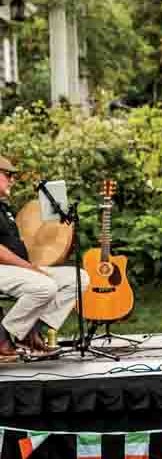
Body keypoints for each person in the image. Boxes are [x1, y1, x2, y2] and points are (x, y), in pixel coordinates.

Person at [0, 154, 87, 362]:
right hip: (5, 268)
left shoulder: (3, 208)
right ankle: (3, 337)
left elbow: (22, 243)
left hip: (17, 269)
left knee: (78, 277)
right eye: (8, 174)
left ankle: (29, 331)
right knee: (45, 286)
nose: (12, 179)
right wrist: (30, 269)